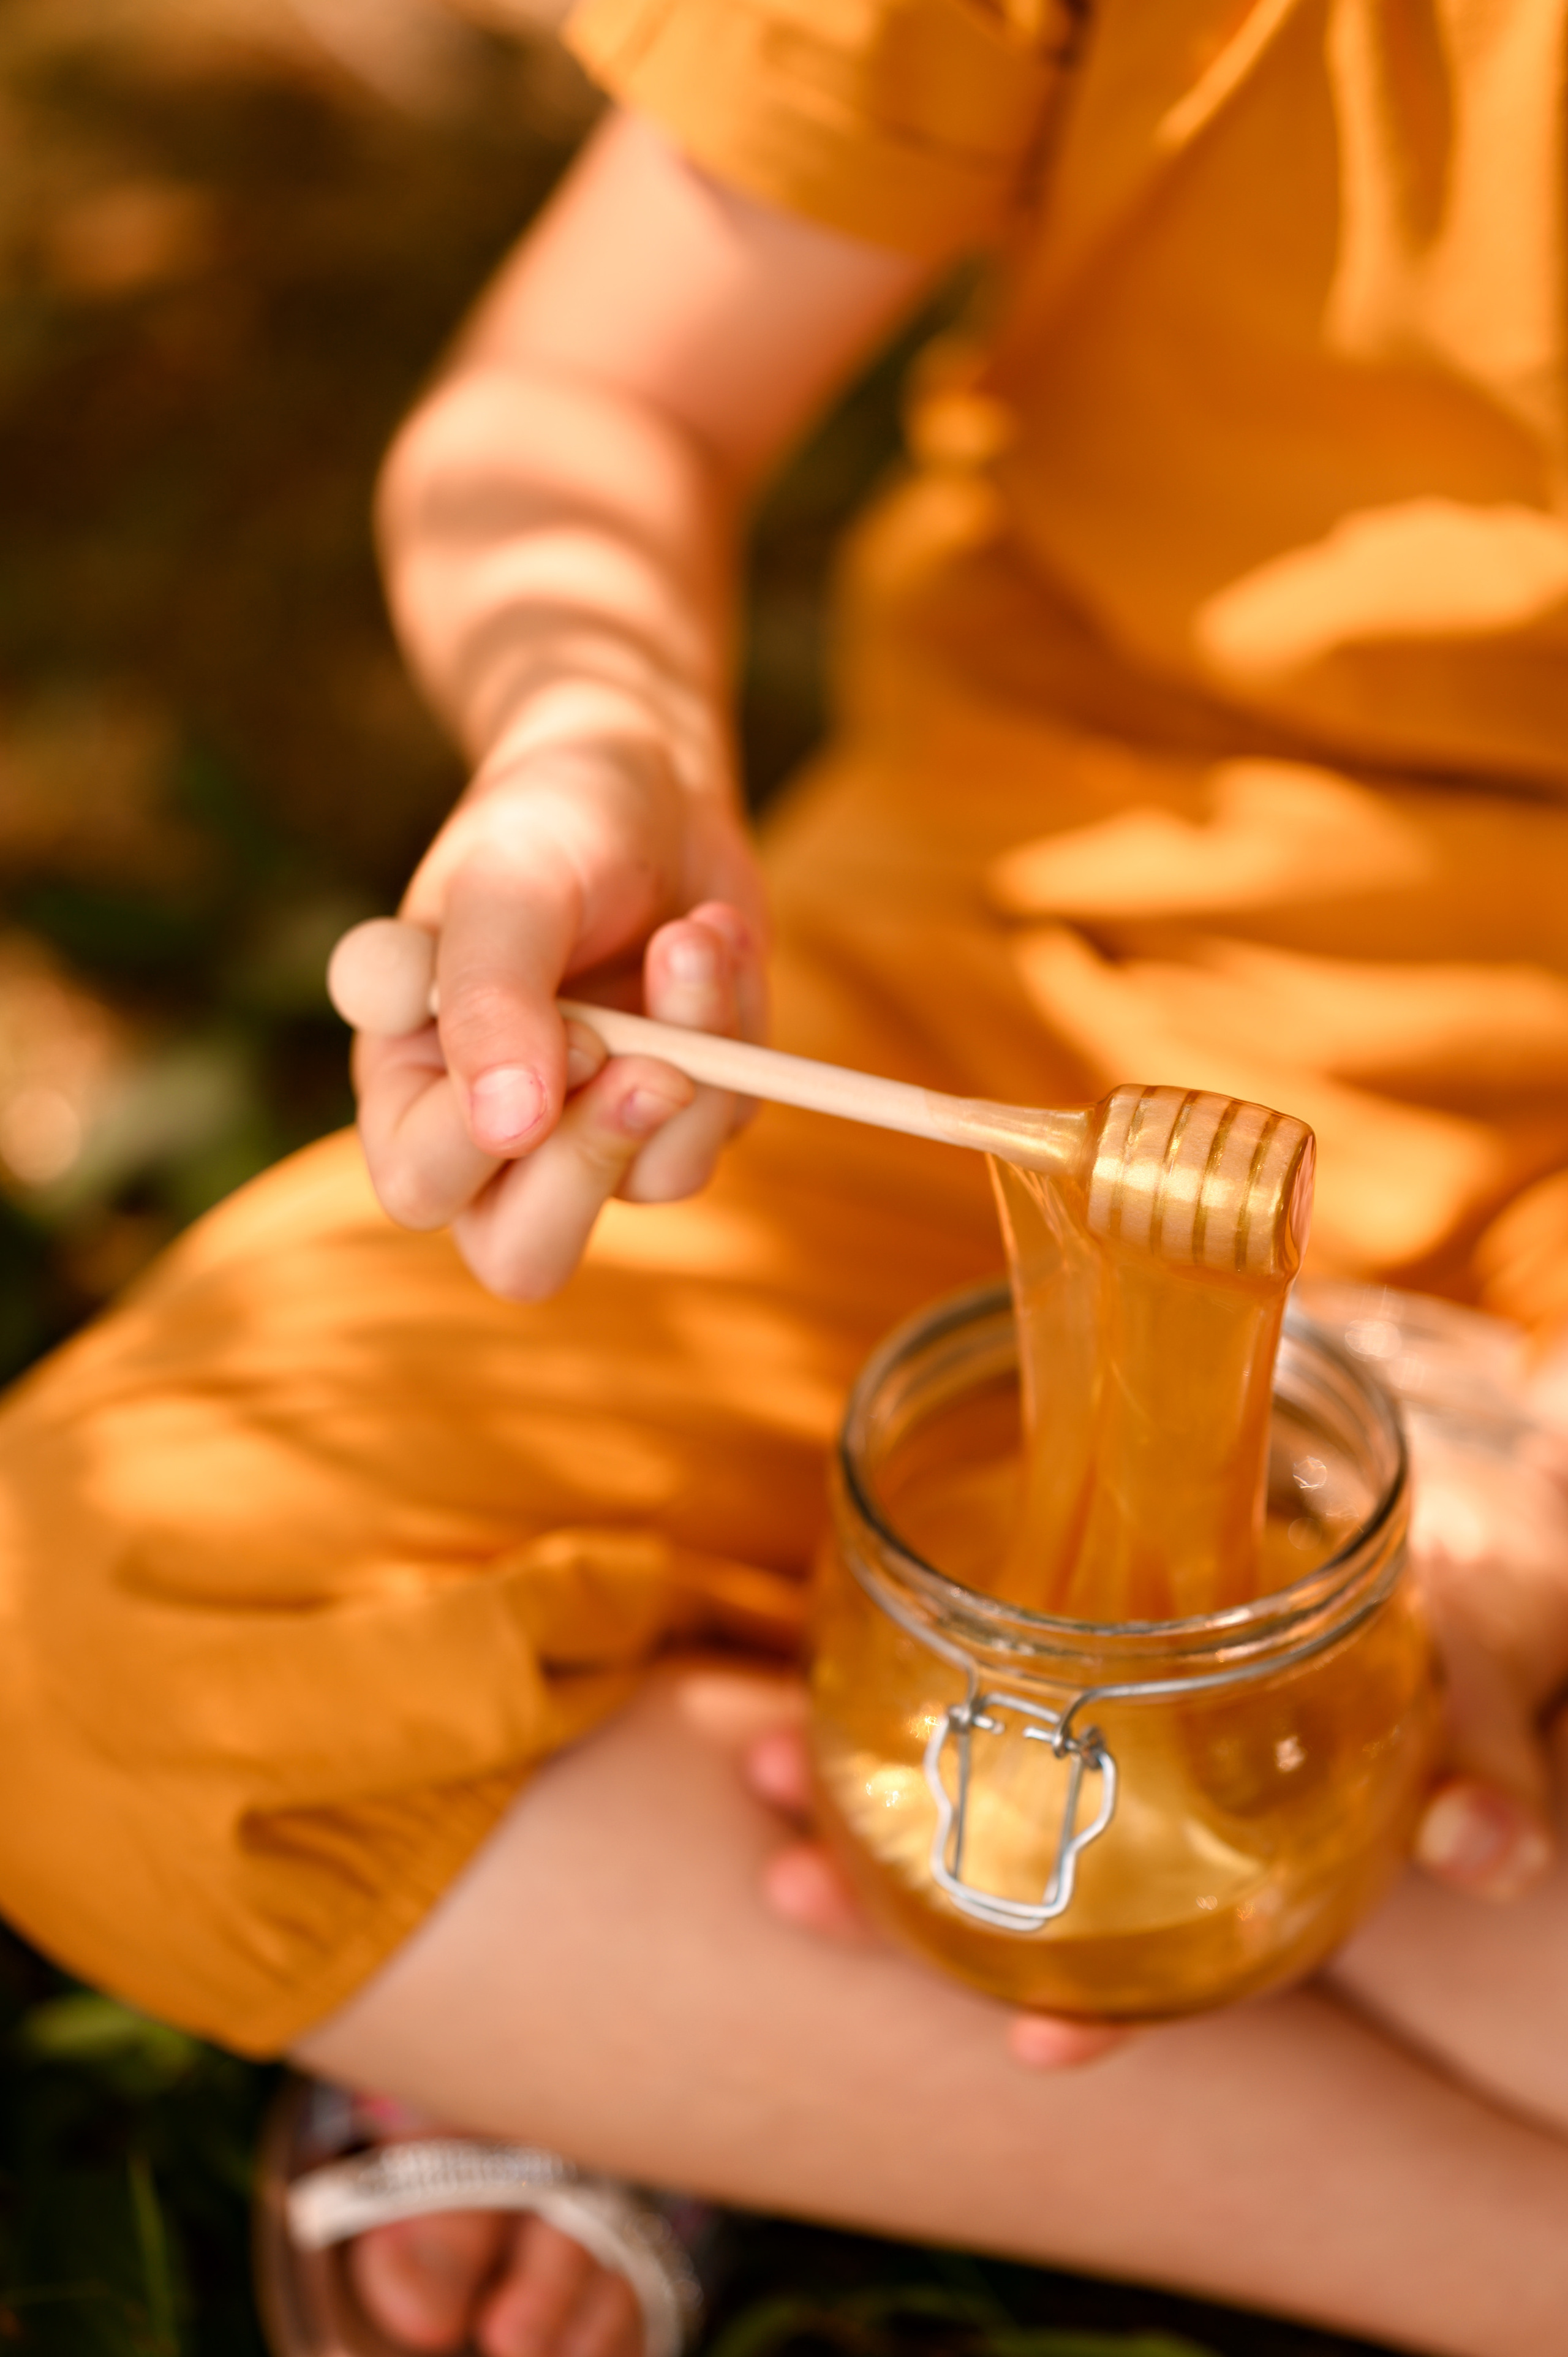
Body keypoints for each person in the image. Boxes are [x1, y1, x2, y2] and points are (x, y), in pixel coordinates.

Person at [4, 1, 1568, 2351]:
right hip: (1038, 970)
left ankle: (702, 1978)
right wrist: (593, 728)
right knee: (82, 1634)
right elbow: (590, 400)